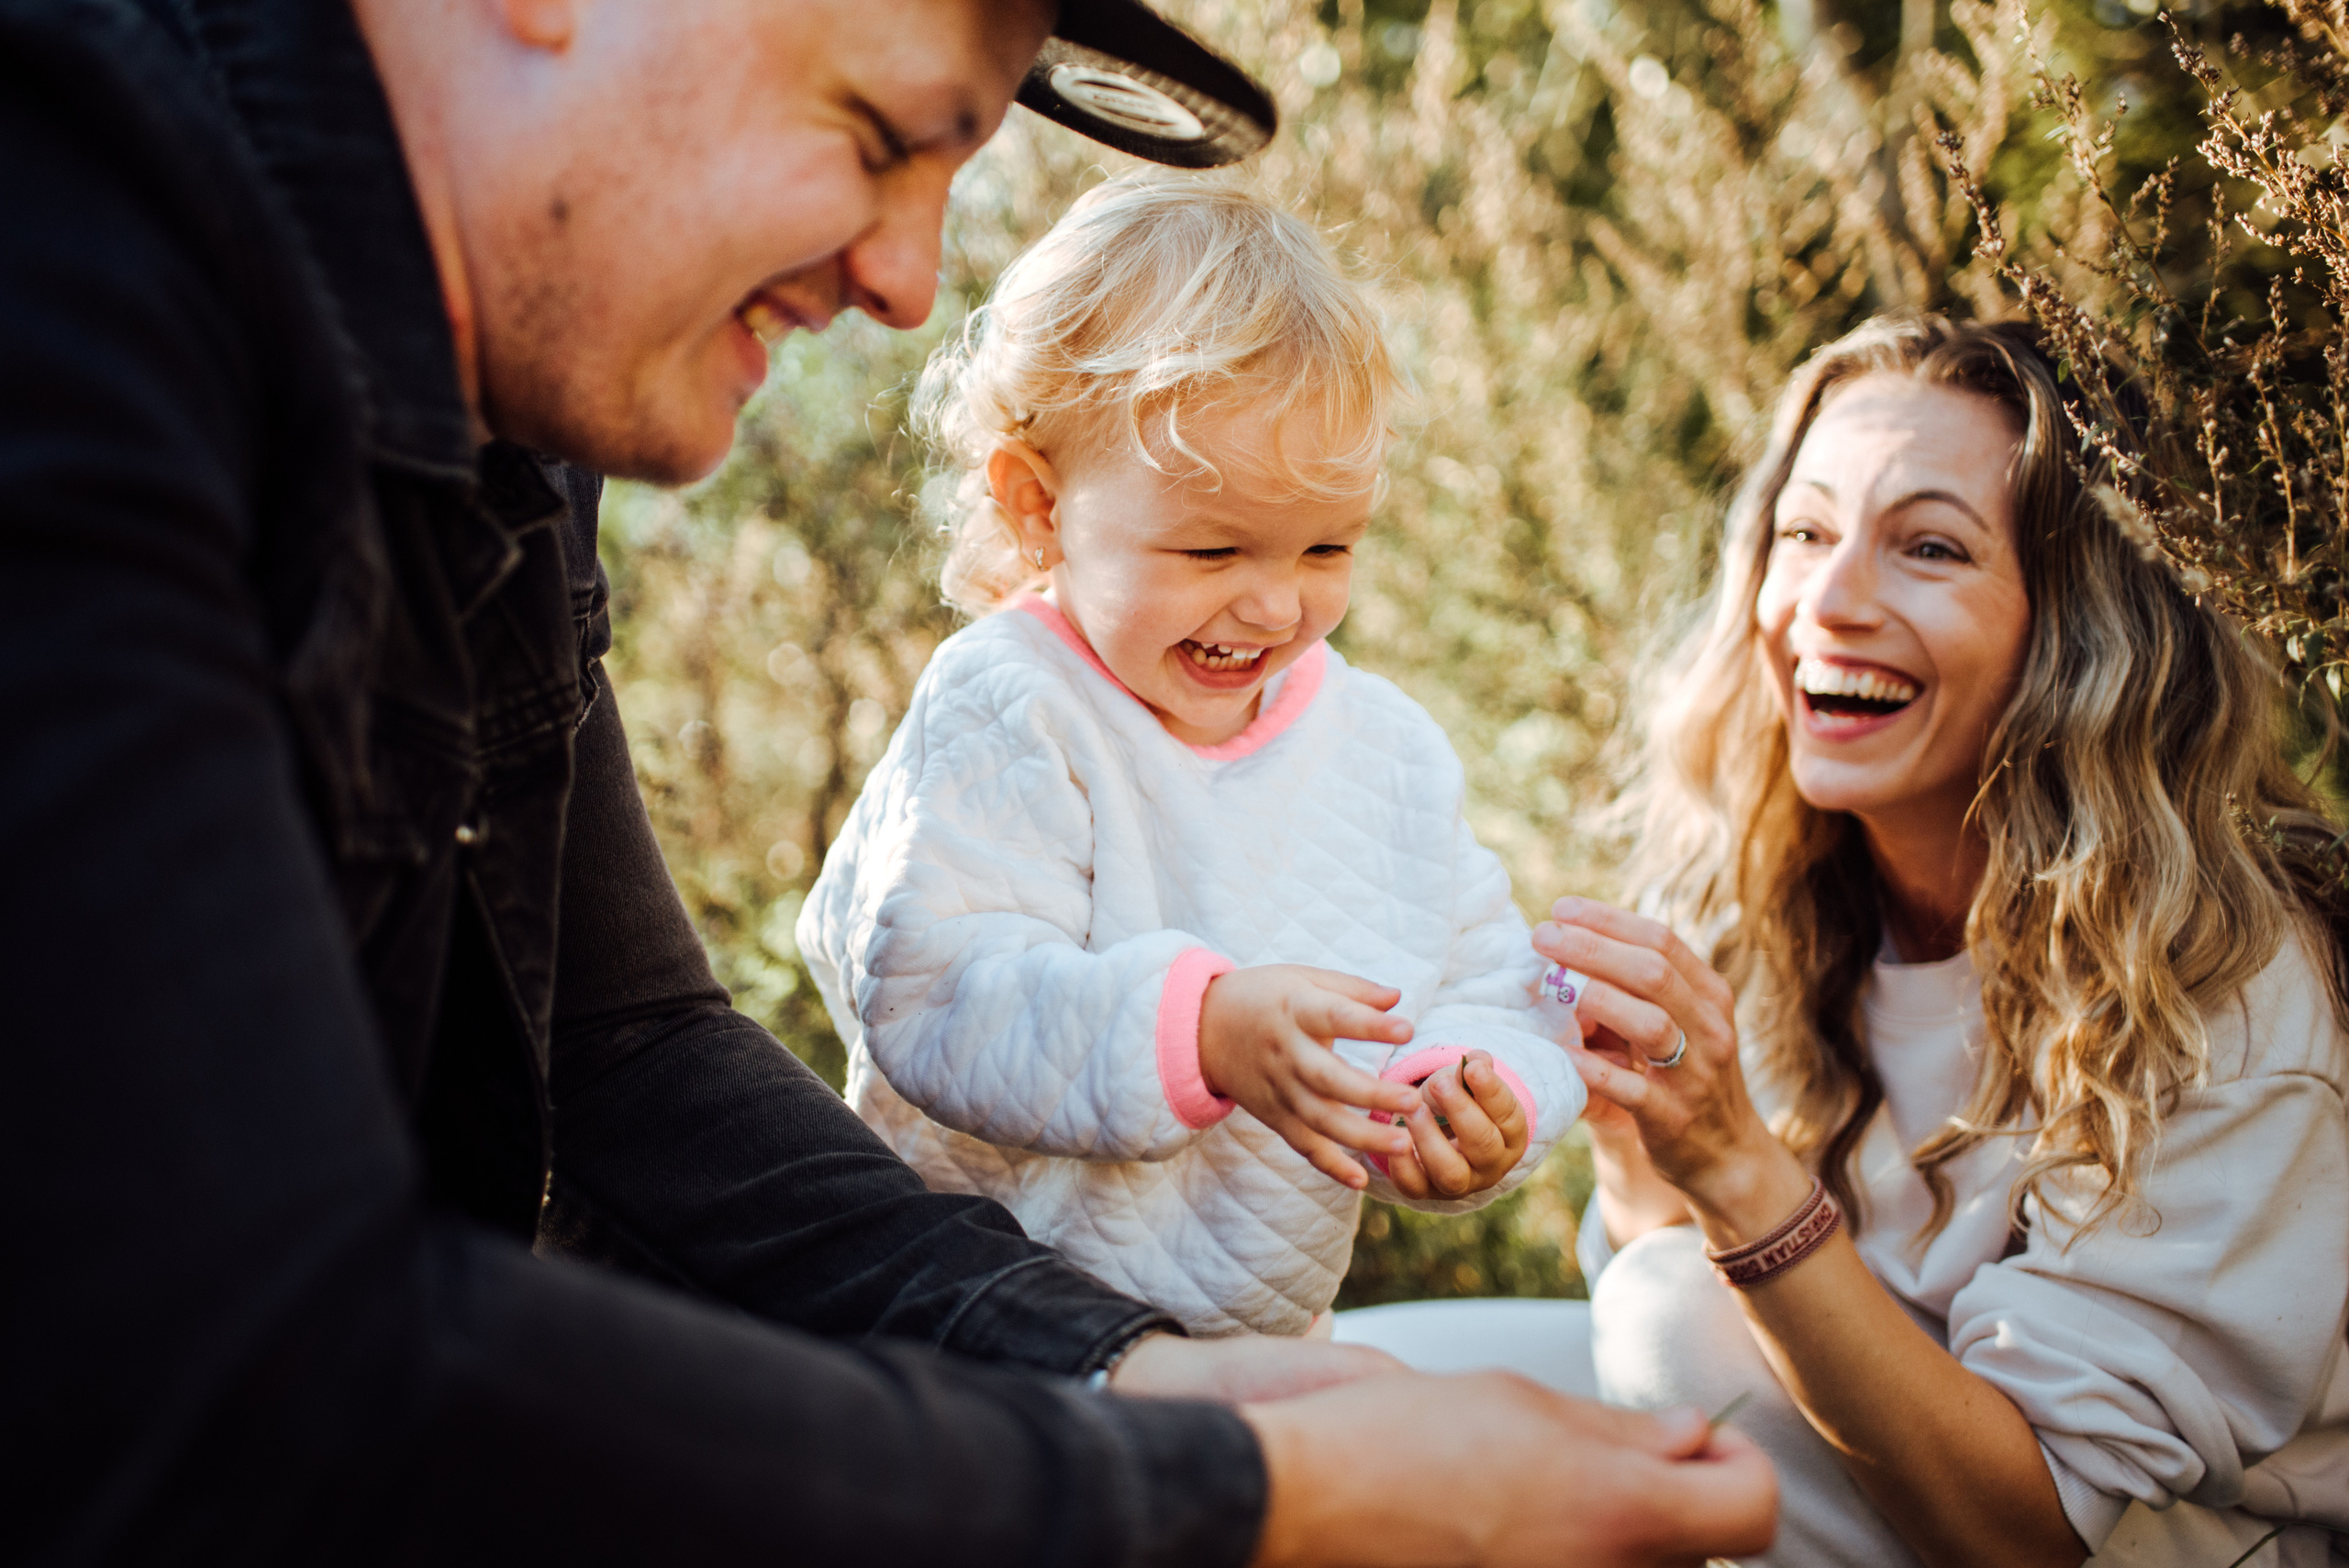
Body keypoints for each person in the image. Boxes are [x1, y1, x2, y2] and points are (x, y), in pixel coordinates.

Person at [0, 0, 1776, 1562]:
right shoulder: (74, 281)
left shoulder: (507, 440)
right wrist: (1241, 1495)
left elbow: (616, 1046)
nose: (907, 279)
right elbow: (254, 1341)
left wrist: (1127, 1365)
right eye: (872, 136)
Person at [1533, 315, 2349, 1566]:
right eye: (1804, 533)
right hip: (1875, 1470)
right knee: (1392, 1388)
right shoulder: (1774, 895)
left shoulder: (2218, 974)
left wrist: (1743, 1170)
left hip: (2176, 1543)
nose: (1830, 601)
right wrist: (1635, 1132)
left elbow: (2034, 1530)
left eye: (1928, 547)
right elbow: (1690, 1296)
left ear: (2081, 632)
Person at [797, 175, 1586, 1339]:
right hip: (981, 1324)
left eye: (1327, 543)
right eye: (1211, 546)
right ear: (1038, 507)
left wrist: (1479, 1086)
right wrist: (1203, 1029)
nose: (1273, 603)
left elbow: (1489, 971)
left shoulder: (1382, 751)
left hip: (1244, 1333)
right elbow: (936, 992)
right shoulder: (1014, 705)